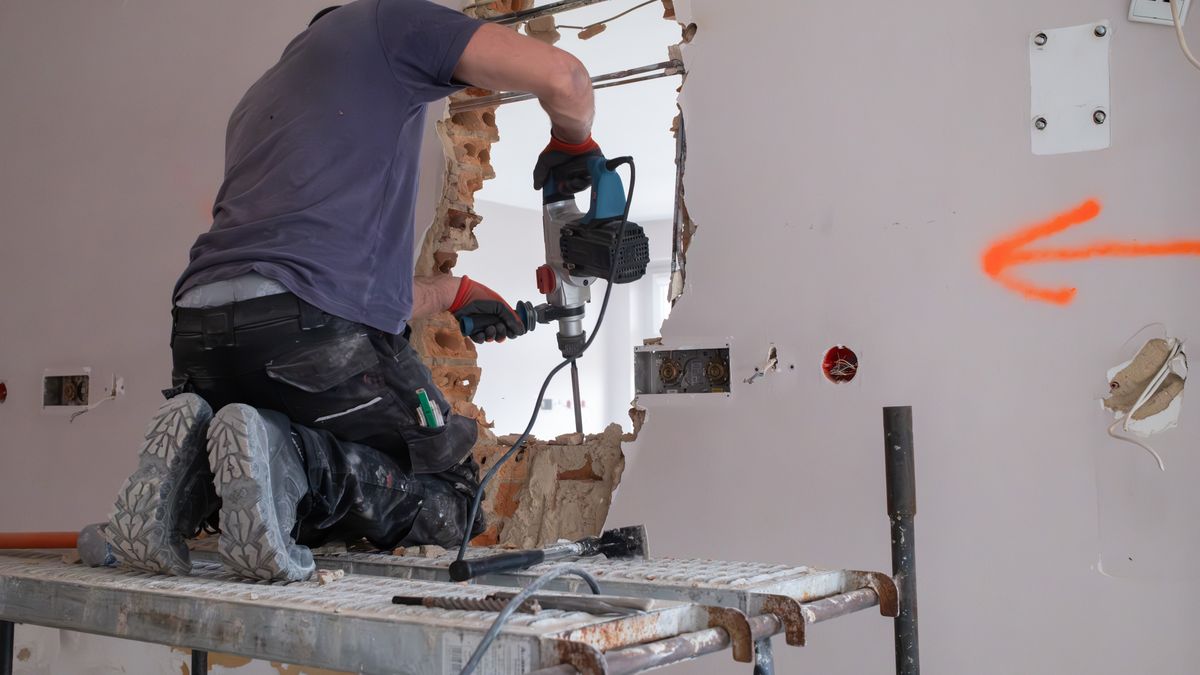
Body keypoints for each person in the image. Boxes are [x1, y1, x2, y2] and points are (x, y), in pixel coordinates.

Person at [106, 0, 604, 582]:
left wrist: (452, 291)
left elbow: (315, 272)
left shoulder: (259, 99)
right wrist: (574, 145)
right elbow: (564, 77)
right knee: (453, 493)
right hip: (311, 333)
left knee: (267, 469)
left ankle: (188, 483)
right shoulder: (389, 22)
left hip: (202, 334)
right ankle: (288, 459)